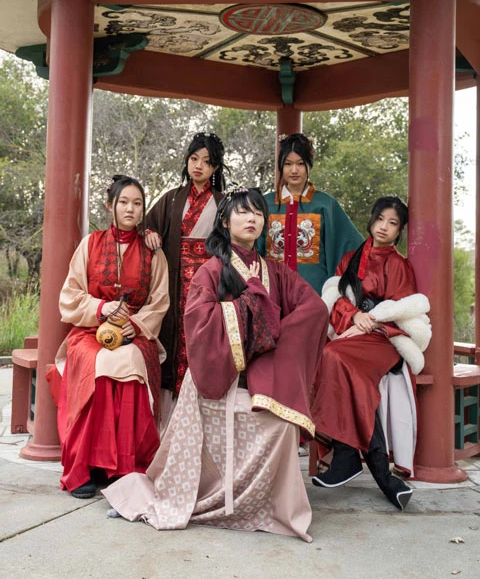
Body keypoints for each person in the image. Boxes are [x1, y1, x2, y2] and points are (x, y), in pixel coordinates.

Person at [103, 187, 329, 542]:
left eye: (258, 212)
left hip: (261, 381)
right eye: (242, 212)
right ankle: (204, 498)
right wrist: (249, 313)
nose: (252, 218)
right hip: (218, 380)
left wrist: (273, 340)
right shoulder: (211, 271)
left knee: (282, 424)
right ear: (225, 221)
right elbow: (199, 322)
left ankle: (264, 506)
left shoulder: (276, 272)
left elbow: (314, 308)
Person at [310, 196, 431, 511]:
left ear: (400, 231)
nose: (384, 227)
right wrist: (354, 316)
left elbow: (403, 312)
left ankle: (347, 454)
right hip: (354, 332)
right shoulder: (351, 259)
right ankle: (380, 473)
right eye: (380, 219)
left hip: (385, 339)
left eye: (393, 223)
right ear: (372, 220)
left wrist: (372, 320)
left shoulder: (399, 265)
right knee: (340, 362)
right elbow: (336, 297)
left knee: (334, 356)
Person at [53, 175, 169, 499]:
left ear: (143, 209)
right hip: (90, 329)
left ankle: (125, 467)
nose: (130, 209)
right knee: (98, 363)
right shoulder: (90, 244)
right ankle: (85, 466)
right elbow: (70, 295)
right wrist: (101, 308)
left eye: (137, 203)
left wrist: (138, 325)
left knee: (129, 361)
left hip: (135, 332)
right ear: (110, 205)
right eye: (123, 202)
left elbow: (160, 301)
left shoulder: (153, 252)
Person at [144, 132, 226, 409]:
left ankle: (200, 402)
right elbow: (148, 225)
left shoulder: (223, 203)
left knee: (202, 338)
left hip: (208, 283)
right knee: (174, 336)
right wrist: (150, 233)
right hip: (175, 281)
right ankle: (172, 407)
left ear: (215, 168)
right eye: (194, 159)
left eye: (207, 161)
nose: (198, 165)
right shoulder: (171, 199)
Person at [257, 132, 362, 295]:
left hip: (314, 293)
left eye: (300, 163)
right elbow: (251, 248)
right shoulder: (265, 203)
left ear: (309, 165)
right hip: (273, 292)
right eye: (288, 164)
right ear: (281, 166)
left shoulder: (325, 204)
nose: (294, 170)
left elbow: (351, 244)